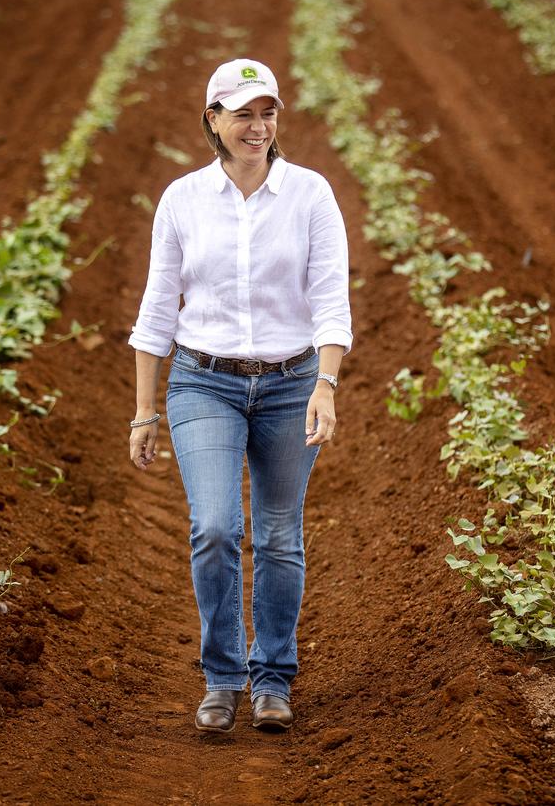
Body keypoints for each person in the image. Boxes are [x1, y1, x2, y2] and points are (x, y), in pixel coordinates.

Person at [128, 58, 352, 734]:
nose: (258, 127)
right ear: (213, 121)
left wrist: (326, 383)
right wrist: (145, 410)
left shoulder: (310, 195)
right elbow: (157, 309)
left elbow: (330, 300)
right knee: (217, 526)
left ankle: (273, 676)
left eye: (268, 113)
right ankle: (223, 676)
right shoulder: (182, 200)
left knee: (280, 535)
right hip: (204, 380)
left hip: (290, 385)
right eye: (243, 114)